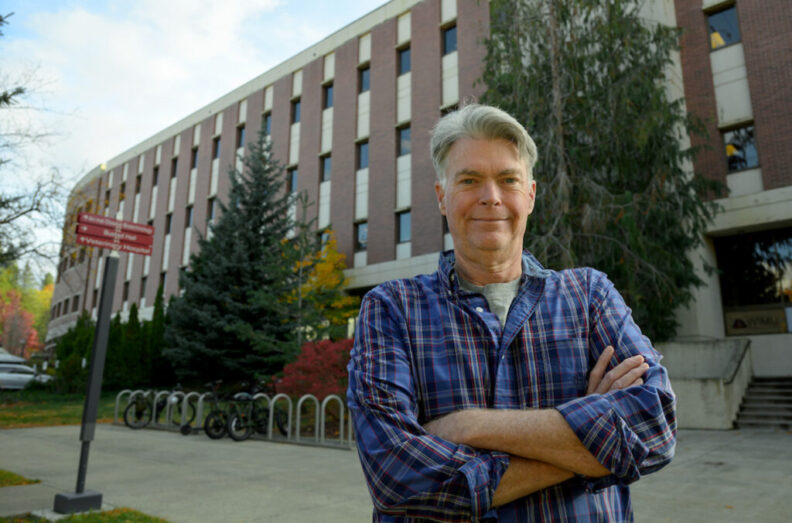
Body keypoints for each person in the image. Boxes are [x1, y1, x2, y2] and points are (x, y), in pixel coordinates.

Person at [347, 104, 676, 522]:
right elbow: (396, 477)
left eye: (508, 179)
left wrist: (468, 426)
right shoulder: (392, 308)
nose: (491, 196)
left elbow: (655, 427)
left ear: (531, 195)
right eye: (469, 180)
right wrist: (592, 437)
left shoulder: (589, 294)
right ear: (442, 197)